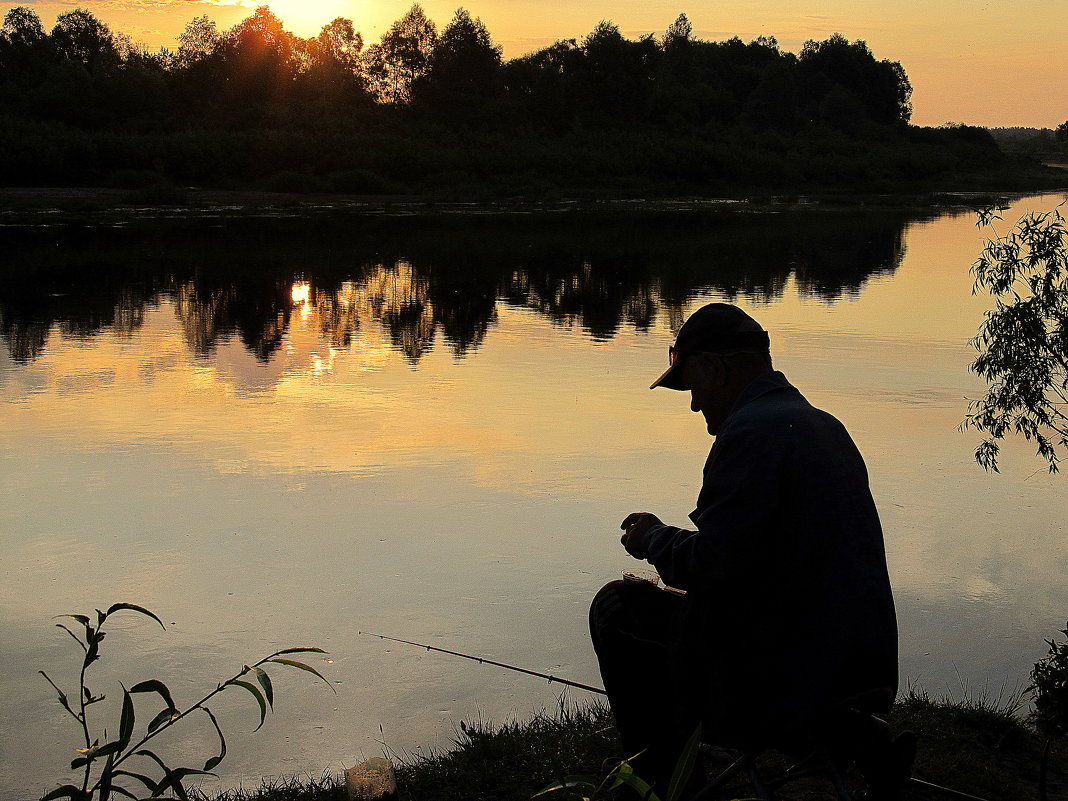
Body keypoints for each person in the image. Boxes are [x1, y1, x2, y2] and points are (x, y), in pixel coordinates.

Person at [589, 303, 905, 797]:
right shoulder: (823, 425)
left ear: (715, 368)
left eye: (693, 387)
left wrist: (652, 538)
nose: (695, 406)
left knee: (618, 609)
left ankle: (662, 782)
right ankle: (852, 732)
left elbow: (712, 566)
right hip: (864, 671)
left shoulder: (751, 432)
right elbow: (757, 567)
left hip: (789, 684)